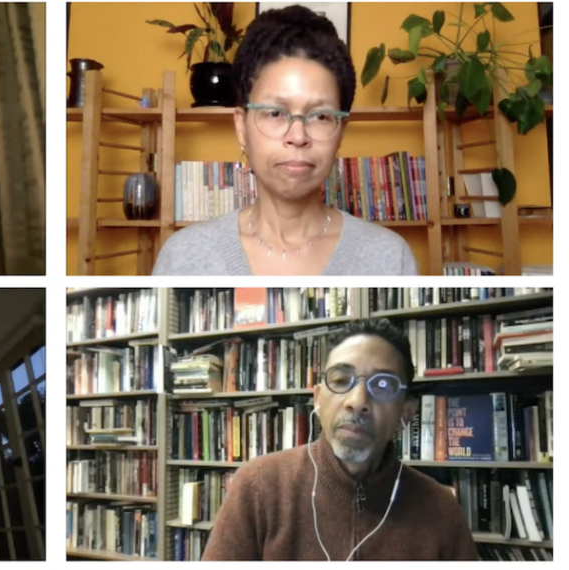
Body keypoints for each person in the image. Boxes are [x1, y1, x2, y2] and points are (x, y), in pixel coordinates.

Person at [152, 6, 417, 275]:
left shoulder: (391, 258)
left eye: (320, 116)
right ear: (241, 126)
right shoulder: (183, 257)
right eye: (276, 113)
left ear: (341, 131)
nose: (298, 137)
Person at [201, 319, 476, 560]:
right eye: (342, 379)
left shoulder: (441, 508)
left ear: (406, 413)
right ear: (318, 398)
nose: (357, 402)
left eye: (382, 385)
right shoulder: (258, 485)